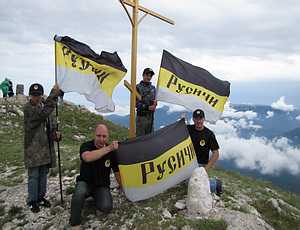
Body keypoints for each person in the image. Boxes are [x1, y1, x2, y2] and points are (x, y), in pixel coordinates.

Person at [69, 124, 121, 229]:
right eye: (98, 136)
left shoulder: (112, 153)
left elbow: (116, 171)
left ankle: (92, 200)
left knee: (106, 207)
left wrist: (123, 187)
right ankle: (75, 223)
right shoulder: (86, 146)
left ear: (108, 137)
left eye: (104, 136)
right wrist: (109, 148)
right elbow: (87, 157)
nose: (101, 139)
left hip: (101, 185)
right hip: (85, 182)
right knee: (79, 193)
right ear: (94, 135)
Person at [23, 83, 63, 213]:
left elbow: (49, 126)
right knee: (34, 176)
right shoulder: (28, 109)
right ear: (30, 96)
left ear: (41, 95)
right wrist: (53, 94)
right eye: (34, 95)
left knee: (43, 175)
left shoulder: (43, 106)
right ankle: (32, 201)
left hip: (45, 149)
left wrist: (56, 135)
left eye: (38, 95)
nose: (37, 97)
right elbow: (42, 115)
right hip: (33, 150)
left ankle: (40, 198)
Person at [187, 109, 222, 195]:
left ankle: (215, 184)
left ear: (204, 119)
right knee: (188, 183)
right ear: (193, 119)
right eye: (196, 119)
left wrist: (205, 169)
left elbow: (216, 153)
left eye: (200, 118)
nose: (198, 121)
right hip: (188, 164)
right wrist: (182, 120)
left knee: (193, 184)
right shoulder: (188, 129)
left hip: (201, 165)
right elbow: (178, 130)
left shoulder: (209, 134)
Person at [136, 68, 157, 136]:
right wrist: (148, 107)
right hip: (141, 117)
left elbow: (154, 101)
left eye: (150, 76)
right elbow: (135, 103)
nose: (149, 77)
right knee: (140, 139)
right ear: (143, 75)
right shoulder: (137, 87)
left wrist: (155, 104)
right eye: (147, 75)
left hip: (151, 117)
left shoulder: (153, 88)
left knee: (150, 138)